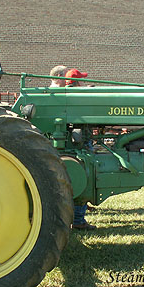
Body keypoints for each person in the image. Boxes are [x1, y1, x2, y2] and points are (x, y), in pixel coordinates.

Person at [64, 67, 97, 230]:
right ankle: (78, 220)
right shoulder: (78, 96)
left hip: (74, 141)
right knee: (83, 178)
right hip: (80, 143)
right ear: (76, 81)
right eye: (80, 80)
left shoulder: (65, 94)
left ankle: (76, 218)